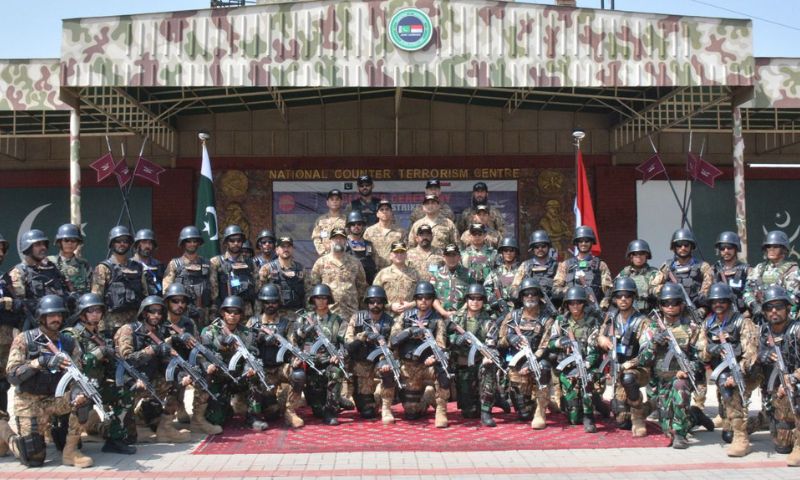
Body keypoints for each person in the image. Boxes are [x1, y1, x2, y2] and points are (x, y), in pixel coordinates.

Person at [0, 295, 93, 467]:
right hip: (29, 401)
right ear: (41, 317)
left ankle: (70, 452)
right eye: (51, 315)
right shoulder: (25, 339)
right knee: (33, 458)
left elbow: (77, 376)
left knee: (84, 399)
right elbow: (12, 375)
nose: (56, 319)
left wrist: (77, 394)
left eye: (59, 315)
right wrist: (40, 362)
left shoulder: (68, 342)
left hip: (54, 400)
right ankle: (5, 433)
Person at [638, 283, 712, 449]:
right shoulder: (651, 327)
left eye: (674, 302)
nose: (670, 307)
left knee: (680, 387)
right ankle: (695, 416)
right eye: (666, 303)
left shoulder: (693, 328)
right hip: (659, 384)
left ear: (682, 304)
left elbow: (701, 358)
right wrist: (653, 344)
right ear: (660, 305)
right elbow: (642, 360)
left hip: (681, 380)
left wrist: (687, 369)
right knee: (666, 425)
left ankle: (681, 434)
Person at [62, 293, 136, 454]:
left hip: (98, 385)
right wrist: (100, 352)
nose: (96, 314)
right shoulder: (72, 335)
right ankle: (69, 442)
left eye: (98, 310)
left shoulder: (99, 335)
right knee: (68, 431)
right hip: (77, 389)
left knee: (125, 393)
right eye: (91, 311)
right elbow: (76, 365)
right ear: (82, 313)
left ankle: (114, 438)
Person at [113, 296, 192, 444]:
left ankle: (164, 428)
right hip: (127, 381)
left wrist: (181, 375)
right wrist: (153, 349)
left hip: (148, 379)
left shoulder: (159, 333)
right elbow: (127, 359)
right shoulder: (128, 330)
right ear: (144, 313)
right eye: (152, 311)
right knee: (126, 437)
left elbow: (165, 362)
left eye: (160, 312)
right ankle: (100, 426)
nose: (156, 315)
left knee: (176, 383)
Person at [697, 282, 758, 457]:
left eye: (722, 301)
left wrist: (737, 372)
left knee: (730, 389)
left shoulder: (742, 322)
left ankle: (742, 438)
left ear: (729, 302)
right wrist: (710, 349)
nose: (718, 304)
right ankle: (747, 424)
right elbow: (701, 353)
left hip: (747, 373)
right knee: (726, 435)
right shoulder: (707, 324)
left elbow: (751, 355)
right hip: (722, 373)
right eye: (715, 301)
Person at [200, 295, 269, 432]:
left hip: (239, 377)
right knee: (216, 420)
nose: (233, 315)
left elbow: (253, 354)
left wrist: (249, 368)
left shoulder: (246, 333)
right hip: (218, 378)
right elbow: (202, 354)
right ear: (222, 313)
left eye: (236, 312)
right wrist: (208, 366)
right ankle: (227, 409)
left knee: (256, 376)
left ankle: (253, 417)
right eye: (229, 311)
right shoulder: (209, 331)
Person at [389, 281, 450, 427]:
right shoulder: (404, 317)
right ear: (415, 299)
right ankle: (427, 398)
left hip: (427, 366)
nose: (424, 300)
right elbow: (392, 341)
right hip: (408, 366)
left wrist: (434, 358)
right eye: (420, 297)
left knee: (444, 371)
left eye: (428, 297)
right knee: (411, 413)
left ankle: (441, 411)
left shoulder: (437, 320)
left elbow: (441, 345)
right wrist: (409, 332)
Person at [594, 277, 649, 437]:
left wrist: (629, 364)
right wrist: (601, 339)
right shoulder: (611, 318)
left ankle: (639, 417)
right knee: (622, 420)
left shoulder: (642, 321)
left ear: (633, 297)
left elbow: (648, 352)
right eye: (619, 296)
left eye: (627, 295)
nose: (623, 299)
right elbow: (599, 335)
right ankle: (651, 406)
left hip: (639, 368)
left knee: (629, 379)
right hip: (617, 368)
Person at [499, 278, 556, 429]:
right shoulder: (513, 317)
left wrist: (531, 363)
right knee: (523, 414)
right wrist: (510, 338)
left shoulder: (546, 319)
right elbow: (500, 340)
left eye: (534, 294)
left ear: (539, 296)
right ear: (521, 297)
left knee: (544, 368)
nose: (530, 297)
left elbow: (545, 345)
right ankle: (542, 402)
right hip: (516, 364)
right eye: (526, 294)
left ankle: (540, 410)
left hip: (536, 361)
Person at [754, 285, 800, 466]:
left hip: (794, 385)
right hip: (774, 392)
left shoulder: (796, 330)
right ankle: (762, 419)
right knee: (782, 446)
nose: (774, 311)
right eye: (769, 307)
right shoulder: (762, 332)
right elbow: (747, 357)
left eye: (779, 306)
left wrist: (794, 378)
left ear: (788, 308)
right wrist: (760, 356)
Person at [248, 284, 305, 428]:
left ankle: (290, 411)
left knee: (298, 374)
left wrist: (295, 360)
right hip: (262, 370)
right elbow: (246, 347)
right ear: (262, 303)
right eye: (267, 302)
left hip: (280, 367)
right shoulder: (253, 323)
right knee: (271, 413)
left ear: (278, 303)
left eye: (273, 302)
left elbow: (293, 345)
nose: (270, 305)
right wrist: (258, 339)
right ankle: (255, 414)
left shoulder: (286, 324)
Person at [294, 284, 348, 426]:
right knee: (317, 411)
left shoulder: (338, 321)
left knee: (336, 372)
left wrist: (339, 355)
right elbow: (295, 338)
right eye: (318, 298)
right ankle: (335, 401)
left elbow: (345, 343)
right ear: (313, 300)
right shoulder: (304, 318)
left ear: (329, 300)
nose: (321, 301)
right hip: (310, 363)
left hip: (329, 362)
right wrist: (307, 328)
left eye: (325, 298)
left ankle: (331, 410)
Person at [551, 286, 603, 432]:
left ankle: (589, 415)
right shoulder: (561, 321)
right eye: (571, 303)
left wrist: (586, 365)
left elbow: (594, 349)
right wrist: (562, 342)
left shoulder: (592, 322)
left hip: (587, 365)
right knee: (574, 419)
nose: (575, 306)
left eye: (578, 303)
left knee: (587, 381)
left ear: (584, 304)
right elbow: (550, 342)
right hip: (567, 367)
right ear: (567, 304)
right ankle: (577, 404)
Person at [447, 284, 500, 427]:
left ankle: (486, 410)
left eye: (479, 298)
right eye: (471, 298)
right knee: (469, 413)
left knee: (489, 366)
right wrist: (456, 340)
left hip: (480, 363)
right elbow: (446, 338)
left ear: (483, 301)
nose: (475, 301)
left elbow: (491, 344)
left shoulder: (489, 321)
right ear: (466, 299)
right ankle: (497, 397)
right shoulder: (456, 319)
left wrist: (487, 356)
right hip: (463, 364)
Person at [344, 286, 397, 423]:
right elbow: (348, 342)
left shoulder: (390, 321)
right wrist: (361, 338)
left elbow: (394, 345)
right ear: (367, 302)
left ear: (383, 303)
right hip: (362, 365)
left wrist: (384, 354)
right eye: (372, 301)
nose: (375, 305)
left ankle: (386, 408)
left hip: (381, 359)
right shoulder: (357, 318)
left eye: (379, 302)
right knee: (367, 412)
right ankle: (376, 398)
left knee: (388, 372)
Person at [8, 229, 73, 330]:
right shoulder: (18, 272)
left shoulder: (52, 268)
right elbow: (20, 305)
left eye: (44, 244)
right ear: (28, 248)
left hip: (59, 324)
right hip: (33, 327)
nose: (43, 248)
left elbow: (66, 291)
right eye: (38, 245)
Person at [91, 226, 148, 335]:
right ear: (112, 243)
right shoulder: (103, 268)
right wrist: (99, 327)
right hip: (111, 325)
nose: (122, 244)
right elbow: (96, 300)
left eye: (125, 241)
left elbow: (144, 295)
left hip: (135, 324)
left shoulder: (137, 267)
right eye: (118, 241)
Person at [163, 226, 217, 328]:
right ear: (183, 243)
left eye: (195, 241)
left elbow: (214, 292)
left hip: (203, 313)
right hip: (181, 311)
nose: (192, 244)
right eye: (188, 241)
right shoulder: (175, 264)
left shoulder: (208, 264)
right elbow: (166, 290)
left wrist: (212, 313)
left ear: (199, 243)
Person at [310, 227, 368, 321]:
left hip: (351, 313)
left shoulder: (355, 262)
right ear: (330, 241)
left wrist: (362, 310)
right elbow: (312, 287)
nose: (338, 241)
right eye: (335, 238)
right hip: (328, 313)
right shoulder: (321, 262)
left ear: (346, 241)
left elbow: (362, 287)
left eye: (341, 238)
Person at [744, 230, 799, 321]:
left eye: (775, 246)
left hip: (782, 319)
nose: (771, 249)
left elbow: (793, 300)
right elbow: (747, 290)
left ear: (784, 249)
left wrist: (787, 321)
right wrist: (754, 305)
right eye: (768, 246)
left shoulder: (792, 270)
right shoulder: (759, 268)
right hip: (760, 316)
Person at [553, 225, 612, 305]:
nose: (583, 244)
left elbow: (608, 290)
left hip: (593, 310)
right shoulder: (566, 265)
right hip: (571, 309)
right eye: (580, 241)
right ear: (576, 243)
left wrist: (603, 305)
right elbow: (555, 289)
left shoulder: (600, 265)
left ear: (592, 242)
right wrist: (570, 291)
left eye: (587, 241)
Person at [210, 225, 258, 316]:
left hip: (245, 313)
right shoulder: (216, 262)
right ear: (226, 242)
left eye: (239, 240)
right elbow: (213, 294)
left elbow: (257, 291)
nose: (236, 243)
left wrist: (256, 316)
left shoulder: (250, 263)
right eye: (232, 240)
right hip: (225, 312)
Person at [0, 233, 22, 415]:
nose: (0, 253)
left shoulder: (5, 279)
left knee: (2, 384)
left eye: (2, 250)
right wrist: (6, 302)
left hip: (4, 341)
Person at [257, 236, 306, 318]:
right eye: (283, 246)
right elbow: (259, 295)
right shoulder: (267, 269)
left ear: (292, 249)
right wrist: (259, 316)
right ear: (277, 250)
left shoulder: (301, 269)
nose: (286, 249)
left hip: (298, 315)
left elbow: (308, 292)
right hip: (275, 316)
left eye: (288, 246)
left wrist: (309, 314)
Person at [372, 241, 420, 318]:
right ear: (390, 255)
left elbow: (422, 297)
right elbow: (374, 297)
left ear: (406, 255)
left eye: (402, 252)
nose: (399, 255)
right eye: (396, 252)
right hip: (386, 317)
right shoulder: (383, 273)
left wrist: (410, 305)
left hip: (409, 317)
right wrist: (390, 306)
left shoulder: (415, 274)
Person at [511, 230, 558, 300]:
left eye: (543, 246)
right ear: (532, 249)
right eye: (537, 247)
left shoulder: (557, 266)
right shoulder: (525, 266)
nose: (540, 249)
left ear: (548, 247)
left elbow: (561, 288)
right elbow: (514, 287)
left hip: (551, 304)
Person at [711, 232, 750, 312]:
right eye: (722, 248)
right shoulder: (713, 269)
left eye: (729, 247)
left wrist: (743, 317)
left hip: (741, 315)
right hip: (718, 314)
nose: (726, 251)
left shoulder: (747, 270)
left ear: (736, 248)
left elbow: (751, 295)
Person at [615, 239, 658, 312]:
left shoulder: (654, 273)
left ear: (646, 255)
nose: (638, 257)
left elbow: (659, 293)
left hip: (649, 313)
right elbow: (614, 292)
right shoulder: (624, 273)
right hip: (628, 313)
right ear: (630, 256)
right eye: (635, 254)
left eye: (642, 253)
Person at [48, 223, 92, 295]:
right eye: (66, 240)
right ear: (59, 242)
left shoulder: (83, 264)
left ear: (78, 243)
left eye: (74, 240)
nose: (70, 243)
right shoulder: (49, 262)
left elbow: (90, 287)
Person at [483, 236, 521, 318]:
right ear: (502, 253)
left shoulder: (522, 271)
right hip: (499, 311)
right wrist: (495, 300)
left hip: (519, 311)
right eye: (505, 250)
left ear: (516, 252)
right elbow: (486, 290)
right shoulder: (495, 273)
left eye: (511, 250)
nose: (508, 253)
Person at [430, 244, 470, 320]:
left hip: (463, 317)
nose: (451, 258)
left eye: (454, 255)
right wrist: (443, 312)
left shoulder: (469, 274)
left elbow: (472, 296)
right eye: (448, 255)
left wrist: (460, 313)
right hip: (440, 317)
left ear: (459, 257)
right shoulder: (436, 275)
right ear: (444, 257)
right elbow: (432, 297)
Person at [363, 199, 406, 270]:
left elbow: (405, 252)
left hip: (394, 271)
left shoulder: (400, 232)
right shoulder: (369, 231)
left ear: (391, 212)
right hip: (374, 271)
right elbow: (365, 252)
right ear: (377, 214)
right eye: (381, 209)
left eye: (387, 209)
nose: (384, 211)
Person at [344, 211, 378, 284]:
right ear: (349, 227)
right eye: (353, 224)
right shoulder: (344, 244)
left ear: (363, 226)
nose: (356, 227)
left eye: (359, 224)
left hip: (367, 285)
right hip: (350, 285)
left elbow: (375, 263)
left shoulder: (369, 245)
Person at [311, 189, 346, 256]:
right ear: (327, 202)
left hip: (342, 255)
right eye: (332, 199)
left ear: (341, 202)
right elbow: (316, 238)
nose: (334, 201)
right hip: (325, 257)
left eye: (337, 199)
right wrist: (322, 251)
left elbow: (350, 238)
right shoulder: (321, 220)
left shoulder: (346, 220)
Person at [132, 229, 165, 296]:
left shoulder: (159, 266)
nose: (147, 246)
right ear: (137, 245)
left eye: (150, 243)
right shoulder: (129, 265)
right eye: (144, 242)